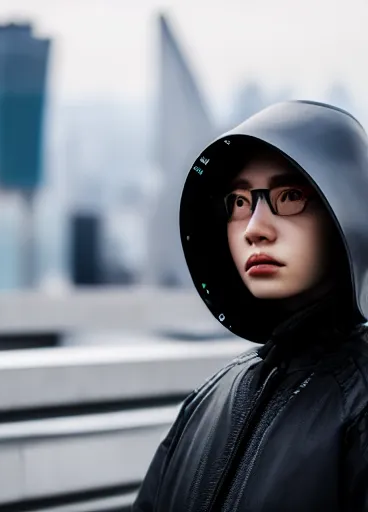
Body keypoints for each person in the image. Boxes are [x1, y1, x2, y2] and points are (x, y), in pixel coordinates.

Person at [132, 100, 368, 512]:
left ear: (345, 211)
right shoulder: (206, 402)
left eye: (290, 195)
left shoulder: (361, 405)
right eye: (239, 202)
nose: (255, 228)